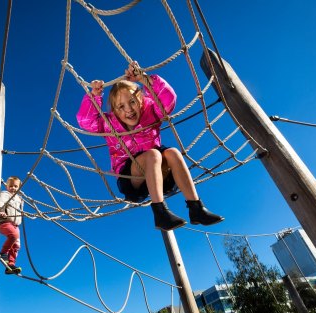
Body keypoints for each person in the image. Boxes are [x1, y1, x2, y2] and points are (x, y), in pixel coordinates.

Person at [76, 61, 224, 231]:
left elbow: (168, 101)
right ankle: (160, 213)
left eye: (132, 102)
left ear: (140, 101)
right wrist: (94, 96)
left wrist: (145, 80)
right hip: (131, 177)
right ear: (115, 111)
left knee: (173, 153)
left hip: (159, 173)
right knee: (153, 154)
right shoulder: (109, 124)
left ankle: (196, 208)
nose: (128, 110)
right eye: (121, 106)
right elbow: (86, 122)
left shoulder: (151, 111)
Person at [0, 176, 24, 275]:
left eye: (16, 186)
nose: (13, 188)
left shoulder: (19, 198)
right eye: (10, 186)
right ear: (7, 186)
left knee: (16, 245)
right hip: (5, 222)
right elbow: (1, 203)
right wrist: (1, 211)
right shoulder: (5, 194)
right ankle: (3, 253)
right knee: (14, 236)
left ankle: (10, 264)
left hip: (15, 225)